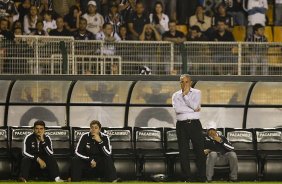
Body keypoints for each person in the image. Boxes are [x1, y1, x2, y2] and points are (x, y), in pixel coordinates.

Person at [172, 74, 206, 182]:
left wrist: (185, 96)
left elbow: (196, 106)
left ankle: (201, 177)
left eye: (186, 82)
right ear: (180, 83)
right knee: (183, 152)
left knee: (199, 151)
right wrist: (192, 109)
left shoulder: (197, 92)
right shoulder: (175, 95)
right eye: (182, 82)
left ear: (190, 82)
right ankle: (187, 178)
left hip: (195, 124)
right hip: (181, 125)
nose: (184, 84)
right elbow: (178, 109)